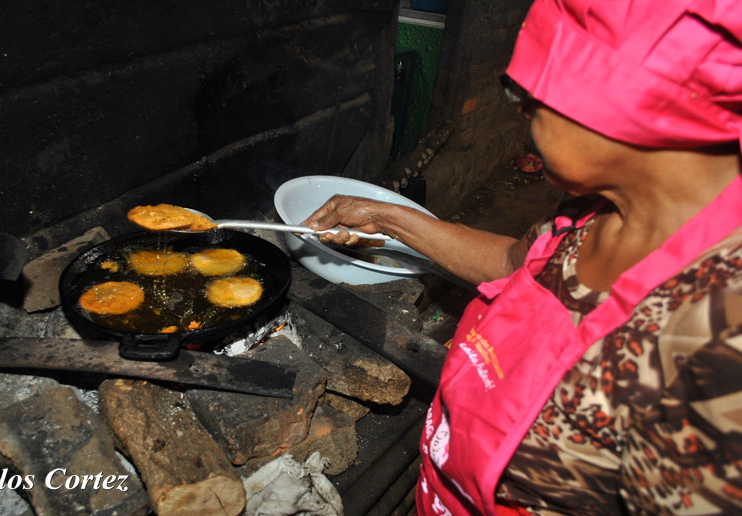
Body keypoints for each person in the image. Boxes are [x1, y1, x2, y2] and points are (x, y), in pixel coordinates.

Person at [303, 0, 742, 514]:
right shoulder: (594, 209)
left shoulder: (718, 345)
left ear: (618, 100)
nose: (519, 109)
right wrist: (387, 217)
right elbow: (520, 264)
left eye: (526, 91)